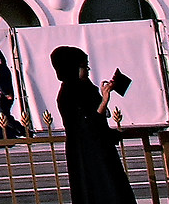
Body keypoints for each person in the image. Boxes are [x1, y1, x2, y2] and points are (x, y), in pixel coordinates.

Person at [52, 46, 137, 204]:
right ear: (72, 68)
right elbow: (86, 123)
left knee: (115, 190)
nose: (87, 70)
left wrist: (104, 94)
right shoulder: (67, 94)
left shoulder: (86, 87)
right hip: (86, 153)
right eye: (84, 66)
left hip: (100, 148)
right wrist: (104, 100)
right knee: (100, 191)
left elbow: (100, 119)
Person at [0, 49, 27, 138]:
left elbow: (2, 84)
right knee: (4, 115)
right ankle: (14, 132)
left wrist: (6, 93)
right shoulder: (4, 68)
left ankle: (21, 131)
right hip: (6, 95)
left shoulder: (1, 70)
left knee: (4, 116)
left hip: (5, 96)